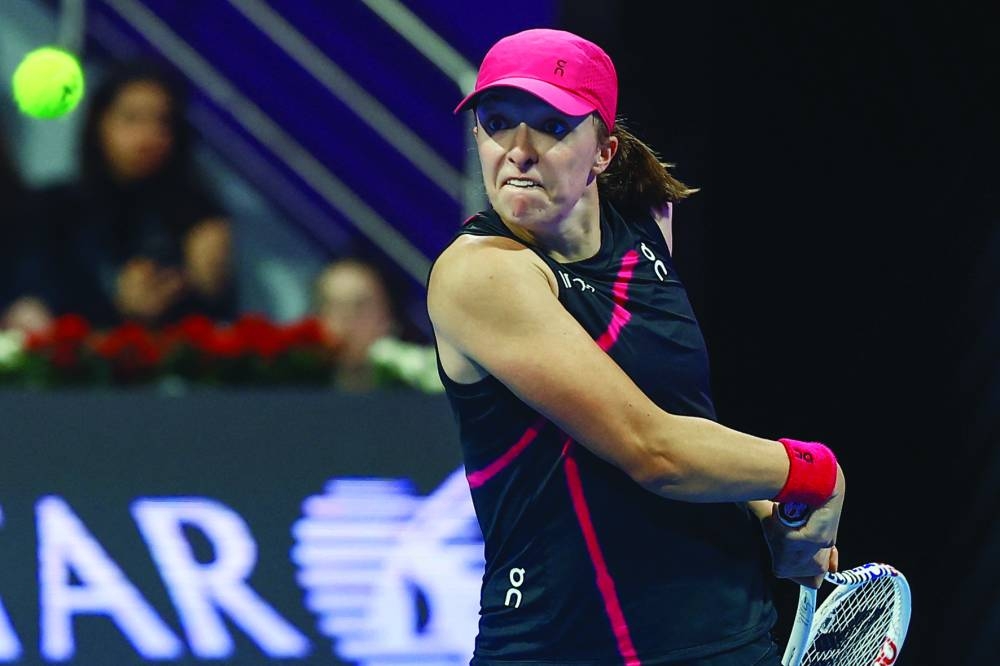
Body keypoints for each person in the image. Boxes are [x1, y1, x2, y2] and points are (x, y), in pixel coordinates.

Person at [427, 28, 846, 665]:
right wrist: (813, 472)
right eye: (498, 122)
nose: (518, 151)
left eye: (551, 126)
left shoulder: (647, 225)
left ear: (603, 151)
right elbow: (652, 449)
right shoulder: (481, 273)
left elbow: (678, 416)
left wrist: (768, 509)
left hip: (728, 631)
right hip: (568, 646)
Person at [33, 59, 236, 328]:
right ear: (99, 123)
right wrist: (118, 306)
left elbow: (215, 321)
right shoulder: (56, 209)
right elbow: (38, 301)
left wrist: (209, 285)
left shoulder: (196, 217)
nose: (148, 136)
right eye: (132, 119)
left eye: (163, 122)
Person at [314, 255, 438, 392]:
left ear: (386, 316)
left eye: (359, 305)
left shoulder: (423, 377)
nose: (347, 317)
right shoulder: (300, 381)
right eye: (336, 306)